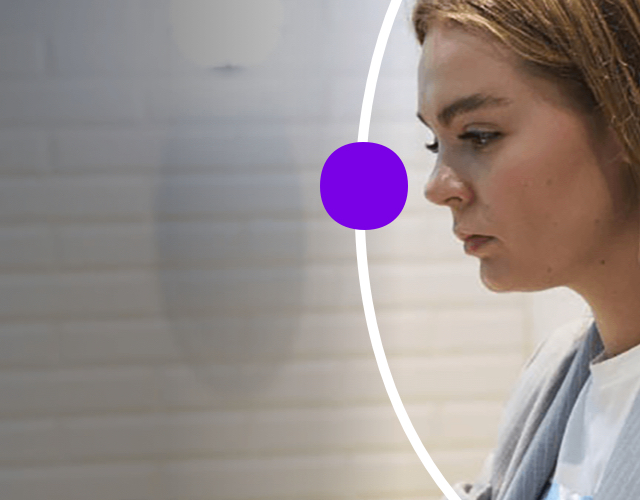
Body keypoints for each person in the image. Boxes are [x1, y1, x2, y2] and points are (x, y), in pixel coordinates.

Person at [412, 0, 640, 498]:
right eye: (436, 144)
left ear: (623, 112)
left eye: (479, 135)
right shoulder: (551, 376)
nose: (437, 187)